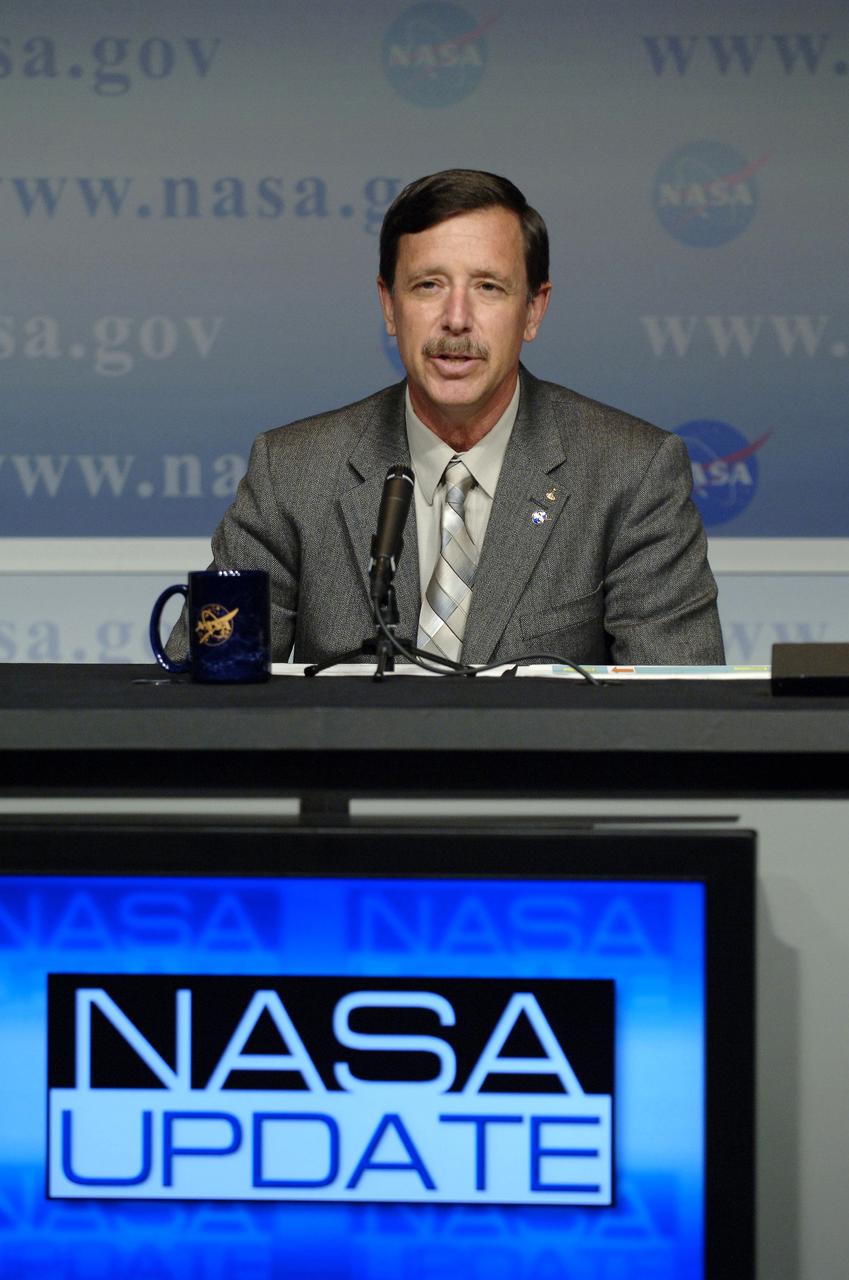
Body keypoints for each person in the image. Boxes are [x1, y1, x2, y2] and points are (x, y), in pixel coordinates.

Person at [169, 169, 724, 666]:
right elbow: (202, 688)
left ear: (533, 309)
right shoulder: (292, 471)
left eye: (488, 287)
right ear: (390, 305)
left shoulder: (631, 474)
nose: (456, 319)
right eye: (428, 285)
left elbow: (678, 709)